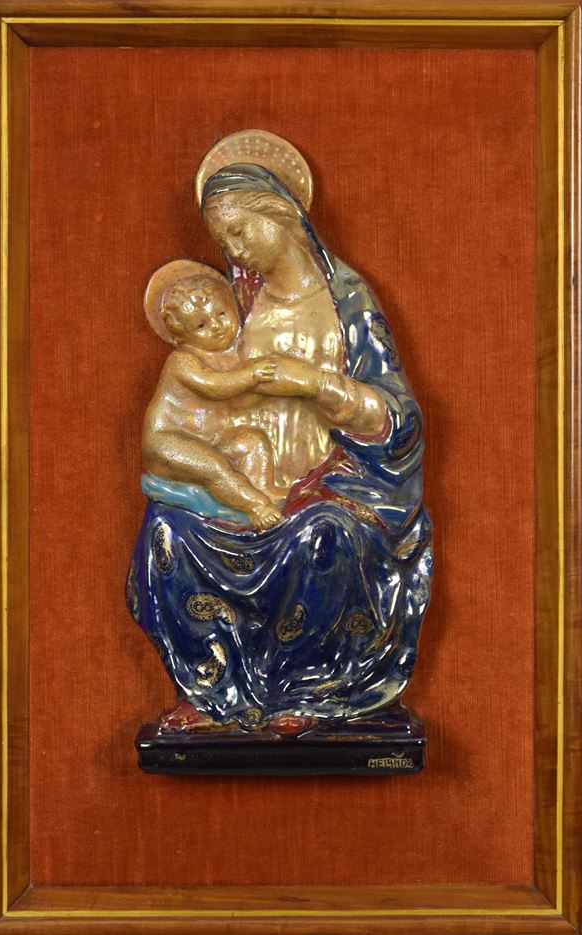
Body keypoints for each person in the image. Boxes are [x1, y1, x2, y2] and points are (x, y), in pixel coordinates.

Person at [127, 163, 432, 731]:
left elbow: (400, 422)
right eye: (224, 242)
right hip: (248, 477)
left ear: (283, 214)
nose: (235, 252)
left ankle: (305, 690)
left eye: (240, 232)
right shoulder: (236, 303)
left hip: (333, 481)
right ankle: (216, 689)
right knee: (168, 531)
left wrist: (315, 384)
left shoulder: (347, 303)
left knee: (324, 536)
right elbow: (202, 388)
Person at [142, 268, 285, 530]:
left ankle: (264, 490)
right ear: (180, 335)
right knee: (215, 467)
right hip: (168, 441)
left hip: (211, 439)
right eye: (201, 325)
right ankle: (255, 506)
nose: (217, 327)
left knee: (252, 442)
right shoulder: (182, 361)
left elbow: (239, 399)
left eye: (221, 313)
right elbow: (213, 386)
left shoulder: (233, 356)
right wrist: (251, 375)